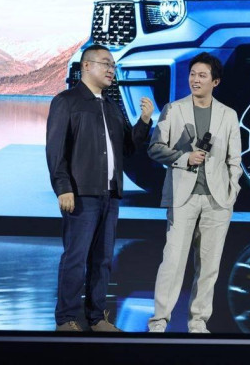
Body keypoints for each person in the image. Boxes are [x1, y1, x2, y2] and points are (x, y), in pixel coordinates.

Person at [46, 44, 154, 332]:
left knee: (103, 260)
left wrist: (144, 122)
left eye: (113, 65)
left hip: (110, 195)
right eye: (106, 63)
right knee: (75, 258)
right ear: (86, 66)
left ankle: (96, 318)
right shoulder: (66, 102)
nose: (111, 69)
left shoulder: (111, 106)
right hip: (81, 194)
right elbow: (55, 150)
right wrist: (63, 187)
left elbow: (128, 148)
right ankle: (66, 319)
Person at [147, 52, 242, 333]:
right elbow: (155, 148)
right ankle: (159, 321)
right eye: (192, 74)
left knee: (209, 265)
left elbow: (234, 160)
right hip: (182, 197)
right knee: (173, 261)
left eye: (202, 75)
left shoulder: (228, 115)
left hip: (217, 200)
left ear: (215, 81)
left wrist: (232, 193)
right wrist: (184, 157)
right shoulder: (174, 109)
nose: (195, 80)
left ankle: (198, 322)